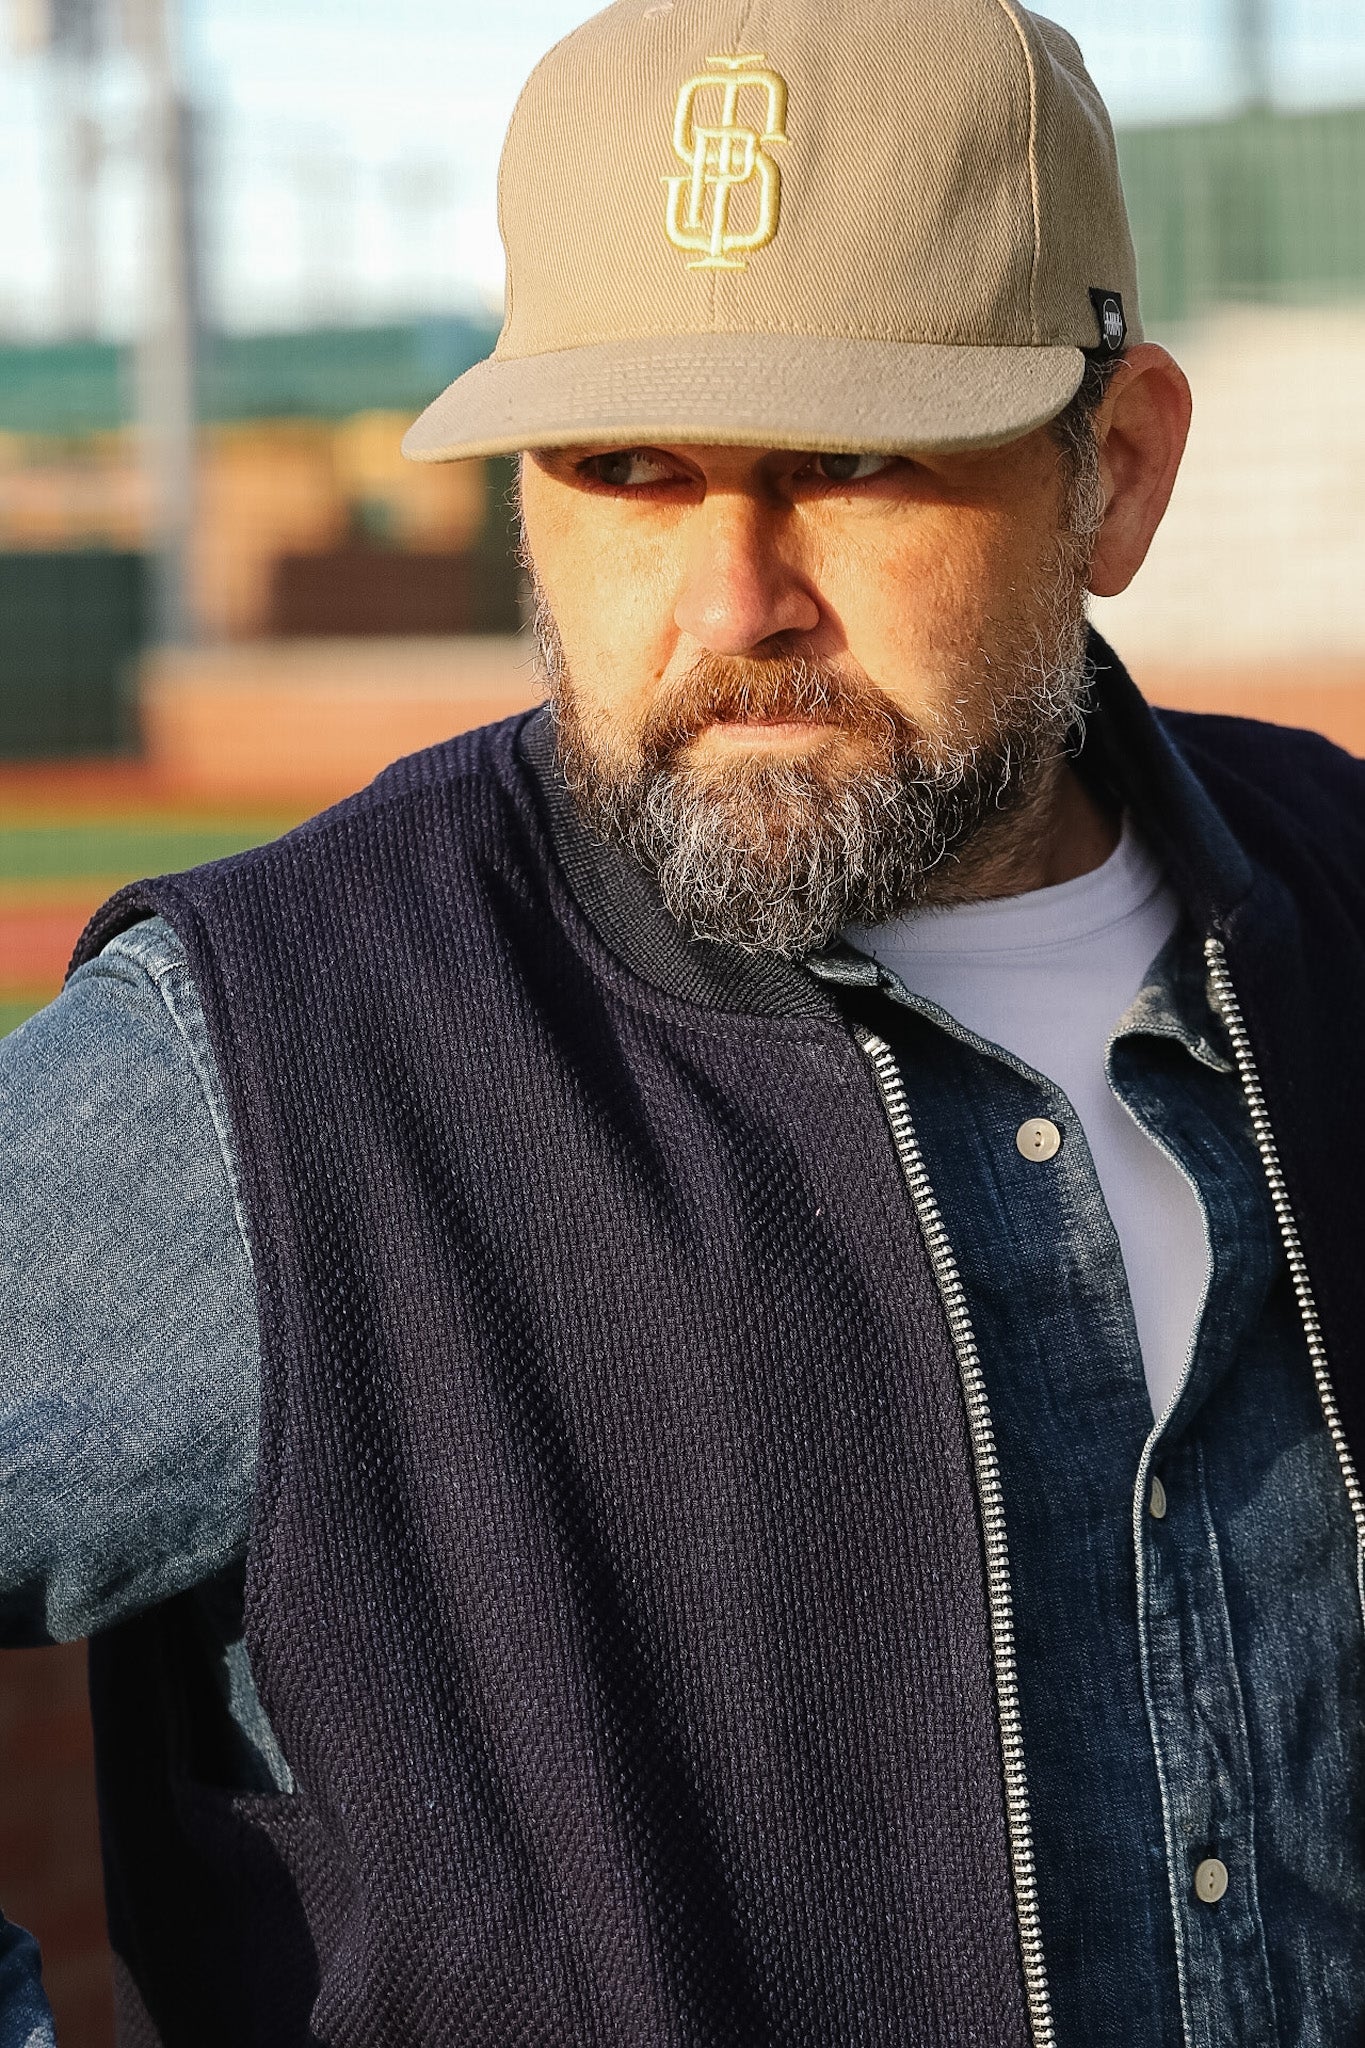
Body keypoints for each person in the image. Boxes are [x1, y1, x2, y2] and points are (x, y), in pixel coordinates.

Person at [4, 0, 1365, 2040]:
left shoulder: (1335, 893)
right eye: (623, 466)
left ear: (1119, 470)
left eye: (845, 461)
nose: (729, 597)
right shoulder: (272, 1048)